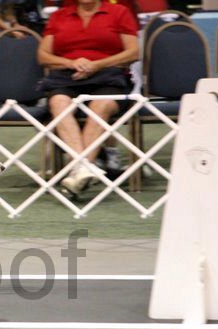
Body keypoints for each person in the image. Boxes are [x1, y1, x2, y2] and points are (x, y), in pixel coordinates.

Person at [37, 0, 139, 195]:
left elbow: (133, 52)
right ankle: (82, 169)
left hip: (109, 77)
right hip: (67, 77)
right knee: (58, 103)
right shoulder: (59, 16)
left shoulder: (119, 12)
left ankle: (78, 170)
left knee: (100, 106)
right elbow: (43, 56)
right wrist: (70, 63)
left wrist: (97, 64)